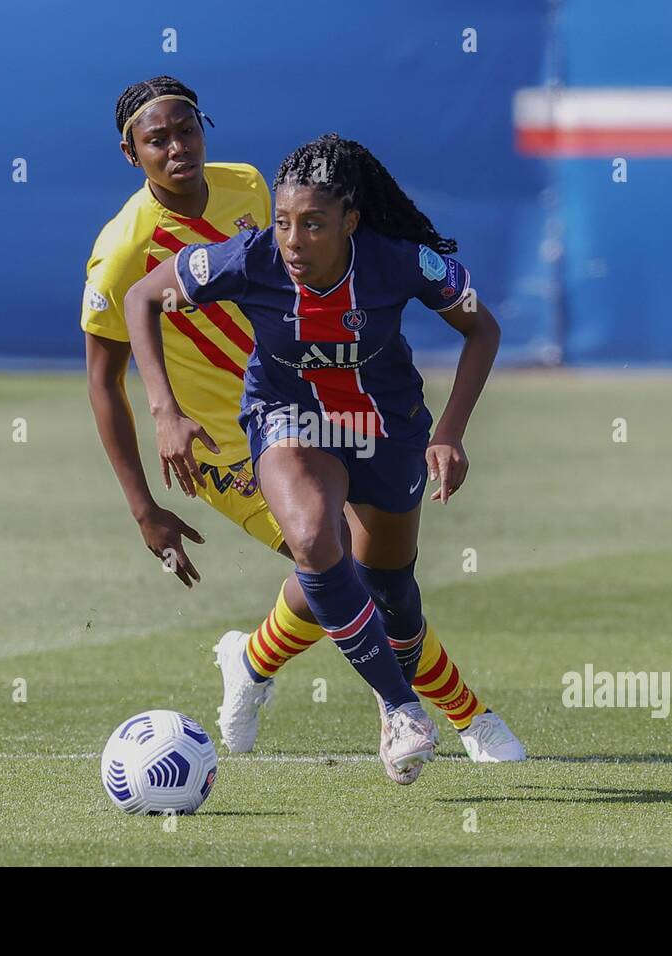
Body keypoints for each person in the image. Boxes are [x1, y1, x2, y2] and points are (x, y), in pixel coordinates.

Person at [122, 131, 510, 783]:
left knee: (392, 592)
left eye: (312, 225)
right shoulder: (250, 259)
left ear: (349, 221)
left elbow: (482, 327)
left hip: (386, 429)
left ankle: (248, 663)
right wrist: (164, 411)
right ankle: (401, 710)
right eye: (282, 222)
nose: (294, 242)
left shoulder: (402, 263)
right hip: (288, 420)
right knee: (312, 541)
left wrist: (449, 432)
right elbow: (142, 298)